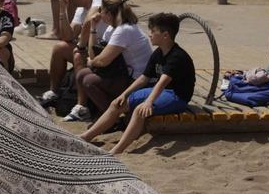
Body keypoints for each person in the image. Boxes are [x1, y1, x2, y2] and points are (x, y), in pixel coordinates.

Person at [79, 12, 195, 154]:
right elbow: (144, 78)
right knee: (117, 104)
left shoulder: (177, 56)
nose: (150, 34)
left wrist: (148, 102)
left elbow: (163, 82)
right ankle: (86, 136)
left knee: (140, 110)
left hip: (177, 96)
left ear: (165, 35)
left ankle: (116, 150)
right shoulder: (158, 53)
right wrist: (124, 94)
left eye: (153, 31)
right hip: (162, 91)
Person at [64, 0, 152, 122]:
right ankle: (108, 113)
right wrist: (93, 28)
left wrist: (91, 62)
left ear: (109, 13)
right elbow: (95, 53)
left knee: (88, 80)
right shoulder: (113, 28)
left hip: (137, 81)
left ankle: (112, 118)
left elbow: (102, 61)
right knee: (82, 74)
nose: (99, 13)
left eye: (101, 10)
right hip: (123, 74)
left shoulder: (124, 30)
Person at [39, 0, 103, 108]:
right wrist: (62, 9)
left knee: (78, 53)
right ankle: (54, 91)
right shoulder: (81, 7)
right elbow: (67, 37)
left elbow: (88, 22)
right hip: (94, 48)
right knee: (60, 48)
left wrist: (80, 46)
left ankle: (81, 106)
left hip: (109, 52)